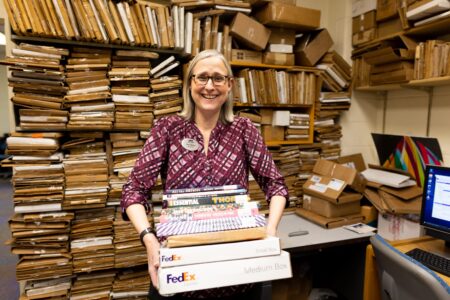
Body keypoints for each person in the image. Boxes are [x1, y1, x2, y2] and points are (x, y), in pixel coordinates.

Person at [121, 49, 288, 299]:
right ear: (190, 84)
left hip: (237, 277)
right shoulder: (167, 129)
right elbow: (134, 190)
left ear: (229, 85)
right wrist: (149, 239)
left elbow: (275, 184)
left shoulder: (244, 130)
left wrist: (270, 230)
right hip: (181, 275)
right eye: (202, 77)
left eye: (218, 78)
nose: (210, 86)